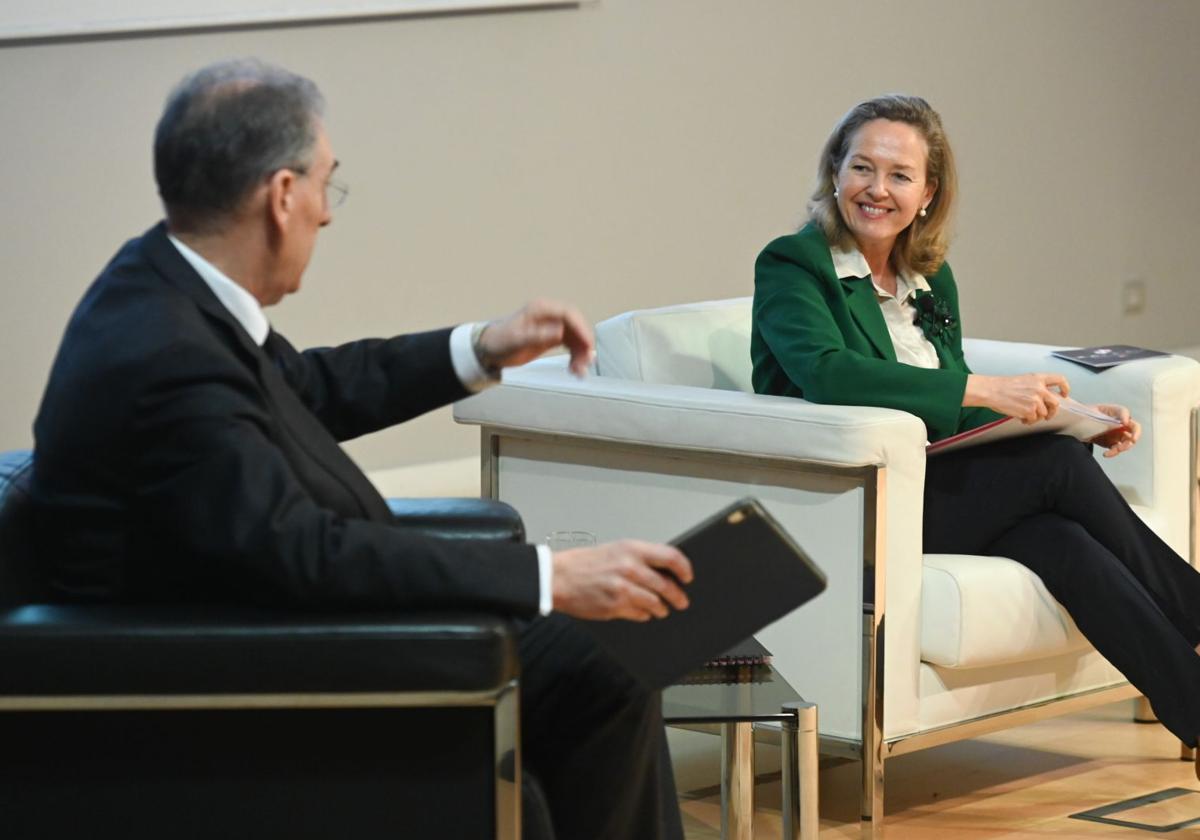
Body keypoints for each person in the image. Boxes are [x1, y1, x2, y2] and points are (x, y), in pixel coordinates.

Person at [30, 59, 690, 839]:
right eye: (324, 185)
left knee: (607, 666)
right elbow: (300, 552)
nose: (326, 214)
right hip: (235, 682)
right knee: (597, 660)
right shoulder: (164, 353)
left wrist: (481, 348)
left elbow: (304, 387)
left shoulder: (163, 284)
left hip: (266, 629)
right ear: (280, 197)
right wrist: (551, 576)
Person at [751, 94, 1200, 774]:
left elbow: (953, 416)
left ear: (928, 193)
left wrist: (1076, 422)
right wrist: (990, 391)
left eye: (899, 176)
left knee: (1063, 541)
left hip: (935, 489)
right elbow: (827, 374)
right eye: (861, 168)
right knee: (1053, 468)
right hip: (852, 506)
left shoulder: (928, 276)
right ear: (834, 172)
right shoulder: (793, 264)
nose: (877, 189)